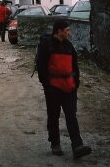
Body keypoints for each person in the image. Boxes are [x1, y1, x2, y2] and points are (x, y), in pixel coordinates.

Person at [36, 18, 92, 159]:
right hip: (53, 89)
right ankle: (55, 144)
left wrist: (75, 84)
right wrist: (47, 86)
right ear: (59, 31)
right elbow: (41, 68)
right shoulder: (46, 45)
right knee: (54, 116)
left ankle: (77, 146)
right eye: (67, 30)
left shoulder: (68, 46)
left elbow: (75, 67)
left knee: (71, 115)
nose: (69, 33)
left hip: (69, 89)